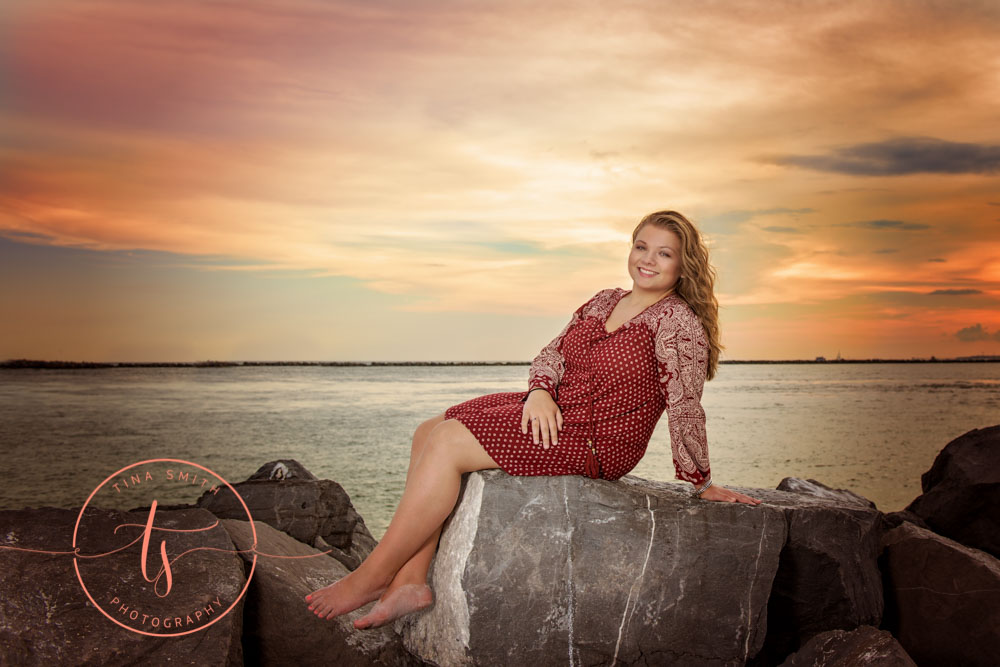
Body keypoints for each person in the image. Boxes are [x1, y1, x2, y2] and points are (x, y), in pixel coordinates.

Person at [305, 210, 762, 629]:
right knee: (429, 429)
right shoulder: (605, 299)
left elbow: (685, 404)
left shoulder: (678, 323)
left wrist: (701, 480)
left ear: (683, 266)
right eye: (641, 246)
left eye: (664, 253)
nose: (647, 260)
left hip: (597, 439)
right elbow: (552, 352)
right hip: (553, 411)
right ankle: (410, 581)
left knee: (447, 444)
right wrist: (540, 391)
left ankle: (371, 576)